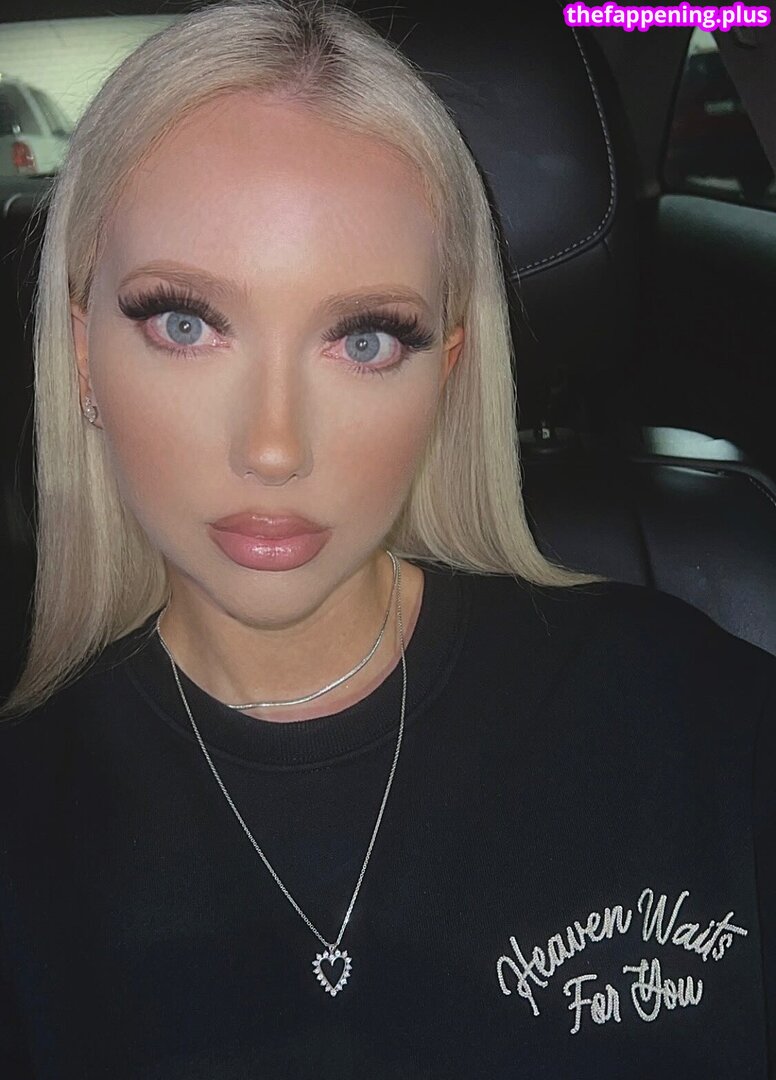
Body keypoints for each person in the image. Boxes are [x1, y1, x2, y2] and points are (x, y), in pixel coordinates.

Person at [0, 1, 774, 1076]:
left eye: (364, 340)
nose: (274, 447)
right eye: (186, 324)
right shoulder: (28, 823)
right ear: (83, 353)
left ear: (445, 370)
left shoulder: (698, 718)